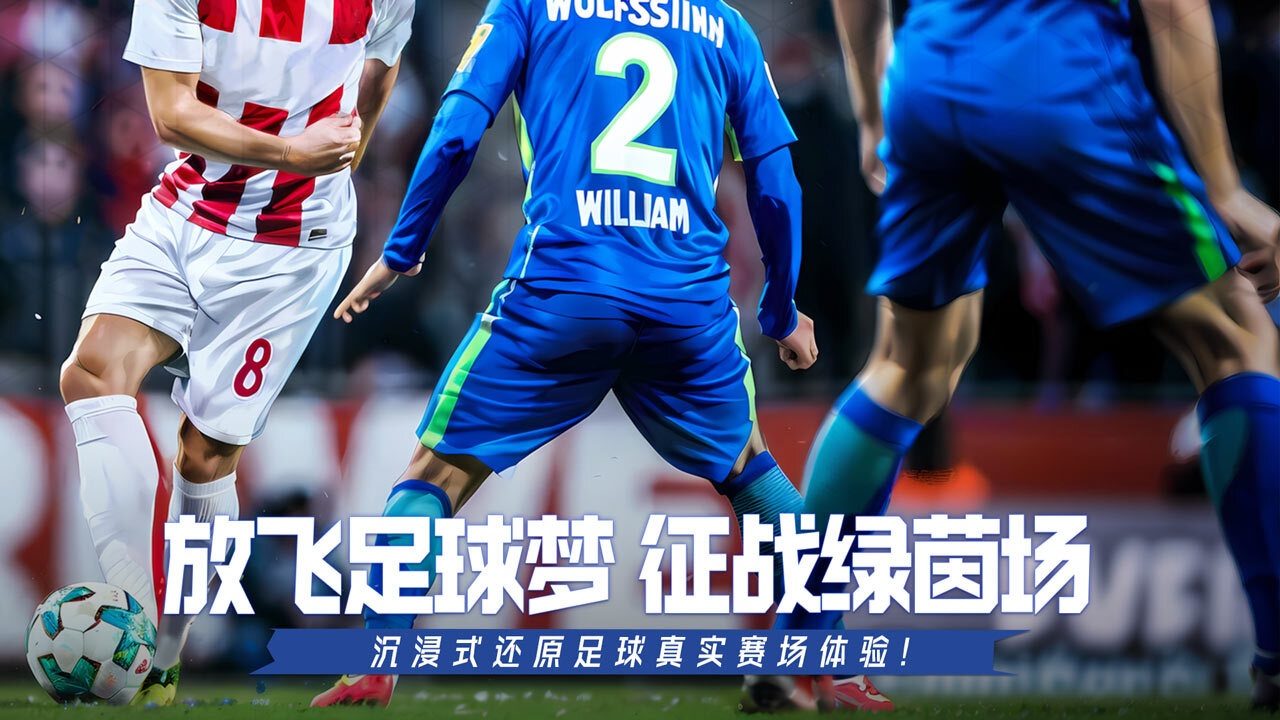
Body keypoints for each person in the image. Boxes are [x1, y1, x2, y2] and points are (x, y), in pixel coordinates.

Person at [767, 0, 1280, 711]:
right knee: (1236, 333)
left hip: (929, 73)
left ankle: (796, 650)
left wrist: (874, 112)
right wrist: (1223, 185)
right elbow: (1173, 9)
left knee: (905, 366)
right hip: (1059, 66)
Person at [310, 0, 823, 708]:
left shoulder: (527, 7)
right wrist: (780, 308)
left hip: (563, 290)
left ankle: (378, 661)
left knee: (432, 477)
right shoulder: (725, 25)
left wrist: (402, 250)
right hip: (686, 303)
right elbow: (777, 181)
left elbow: (457, 132)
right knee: (753, 474)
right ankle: (819, 659)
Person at [59, 0, 415, 704]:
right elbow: (170, 114)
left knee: (204, 456)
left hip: (291, 248)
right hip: (188, 207)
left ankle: (164, 655)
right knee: (90, 373)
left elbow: (382, 65)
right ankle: (133, 615)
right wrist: (293, 153)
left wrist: (344, 158)